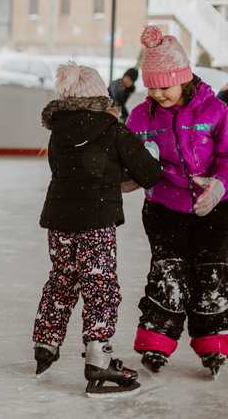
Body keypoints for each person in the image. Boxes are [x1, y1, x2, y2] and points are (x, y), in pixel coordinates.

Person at [34, 61, 160, 397]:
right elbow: (149, 174)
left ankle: (46, 343)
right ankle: (98, 359)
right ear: (100, 95)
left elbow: (64, 170)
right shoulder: (113, 129)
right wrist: (148, 154)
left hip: (59, 219)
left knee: (62, 278)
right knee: (100, 284)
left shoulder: (57, 132)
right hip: (96, 222)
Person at [124, 25, 228, 380]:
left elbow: (227, 155)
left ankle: (213, 343)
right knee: (168, 274)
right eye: (151, 86)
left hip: (214, 208)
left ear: (183, 79)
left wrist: (220, 185)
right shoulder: (140, 116)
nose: (156, 93)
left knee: (211, 273)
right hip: (164, 208)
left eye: (164, 86)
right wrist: (129, 176)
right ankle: (156, 342)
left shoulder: (216, 110)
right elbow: (131, 160)